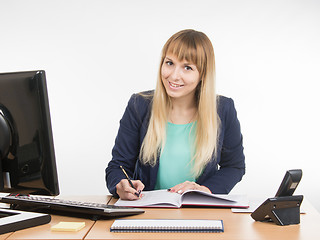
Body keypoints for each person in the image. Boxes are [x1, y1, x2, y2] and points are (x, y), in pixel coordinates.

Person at [105, 29, 245, 200]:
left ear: (203, 74)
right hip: (147, 212)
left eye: (187, 67)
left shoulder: (223, 109)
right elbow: (117, 166)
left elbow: (234, 166)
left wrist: (204, 190)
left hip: (199, 210)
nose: (174, 75)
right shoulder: (139, 105)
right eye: (169, 63)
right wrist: (121, 184)